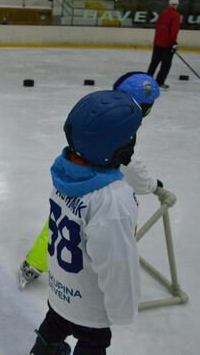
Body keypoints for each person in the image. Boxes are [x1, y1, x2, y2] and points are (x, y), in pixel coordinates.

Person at [19, 72, 162, 290]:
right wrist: (153, 185)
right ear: (147, 107)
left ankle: (35, 263)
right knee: (109, 231)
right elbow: (134, 169)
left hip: (75, 176)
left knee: (60, 221)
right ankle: (99, 273)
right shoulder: (124, 131)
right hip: (100, 189)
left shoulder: (101, 114)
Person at [29, 90, 143, 355]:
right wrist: (123, 309)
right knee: (94, 341)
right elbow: (117, 263)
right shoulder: (112, 199)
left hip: (60, 290)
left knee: (54, 323)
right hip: (88, 301)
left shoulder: (65, 171)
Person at [146, 0, 181, 90]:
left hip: (157, 43)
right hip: (167, 45)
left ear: (169, 4)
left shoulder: (163, 13)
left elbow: (158, 28)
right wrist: (173, 43)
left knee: (154, 62)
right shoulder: (176, 15)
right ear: (177, 5)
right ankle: (160, 82)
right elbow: (174, 31)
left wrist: (157, 40)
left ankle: (147, 79)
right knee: (166, 64)